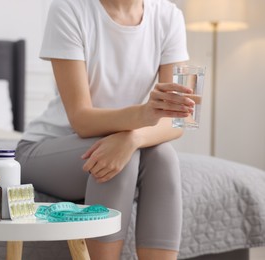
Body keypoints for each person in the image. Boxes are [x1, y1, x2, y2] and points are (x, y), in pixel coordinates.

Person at [15, 0, 193, 259]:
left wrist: (132, 137)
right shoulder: (69, 8)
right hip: (47, 148)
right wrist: (141, 117)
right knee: (118, 157)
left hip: (119, 143)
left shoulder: (168, 15)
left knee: (163, 157)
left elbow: (178, 121)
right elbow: (82, 120)